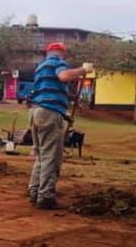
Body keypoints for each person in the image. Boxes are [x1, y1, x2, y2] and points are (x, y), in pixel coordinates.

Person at [27, 42, 93, 210]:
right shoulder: (57, 62)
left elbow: (47, 93)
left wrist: (63, 114)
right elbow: (64, 76)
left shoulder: (41, 67)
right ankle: (46, 196)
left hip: (36, 112)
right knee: (51, 157)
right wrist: (83, 70)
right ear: (61, 53)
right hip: (49, 114)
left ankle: (35, 191)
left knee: (41, 155)